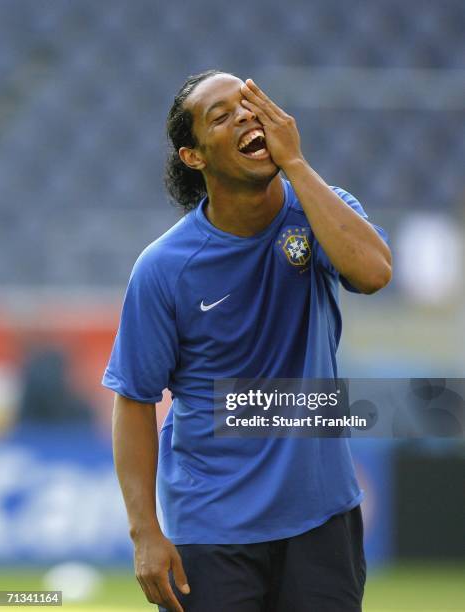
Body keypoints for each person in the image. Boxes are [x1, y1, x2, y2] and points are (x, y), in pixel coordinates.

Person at [102, 70, 392, 612]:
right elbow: (135, 399)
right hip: (213, 528)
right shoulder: (164, 268)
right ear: (194, 156)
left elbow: (374, 273)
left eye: (250, 104)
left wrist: (299, 167)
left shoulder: (321, 208)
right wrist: (145, 533)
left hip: (322, 517)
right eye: (221, 115)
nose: (244, 116)